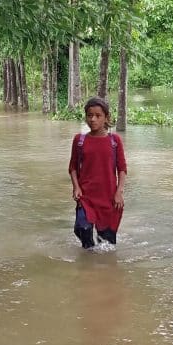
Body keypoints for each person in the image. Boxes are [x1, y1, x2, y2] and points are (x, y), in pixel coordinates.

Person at [69, 97, 127, 248]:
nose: (93, 119)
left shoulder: (115, 141)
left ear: (106, 118)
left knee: (106, 243)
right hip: (86, 196)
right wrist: (76, 187)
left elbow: (122, 169)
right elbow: (73, 167)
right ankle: (88, 263)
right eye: (89, 115)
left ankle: (101, 269)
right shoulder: (79, 140)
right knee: (83, 228)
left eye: (98, 115)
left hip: (109, 198)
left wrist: (119, 192)